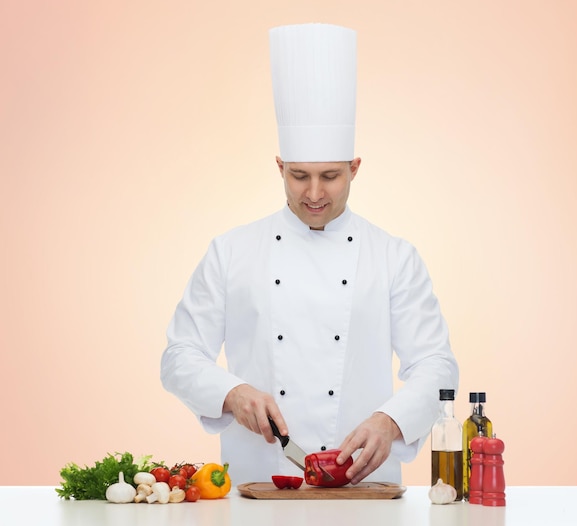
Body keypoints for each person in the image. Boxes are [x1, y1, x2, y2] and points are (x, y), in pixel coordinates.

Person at [161, 23, 458, 486]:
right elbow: (179, 355)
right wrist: (231, 392)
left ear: (354, 169)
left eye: (330, 176)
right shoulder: (231, 251)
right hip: (257, 488)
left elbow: (437, 365)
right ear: (279, 166)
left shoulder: (394, 257)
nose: (314, 193)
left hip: (367, 493)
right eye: (299, 175)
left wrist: (392, 420)